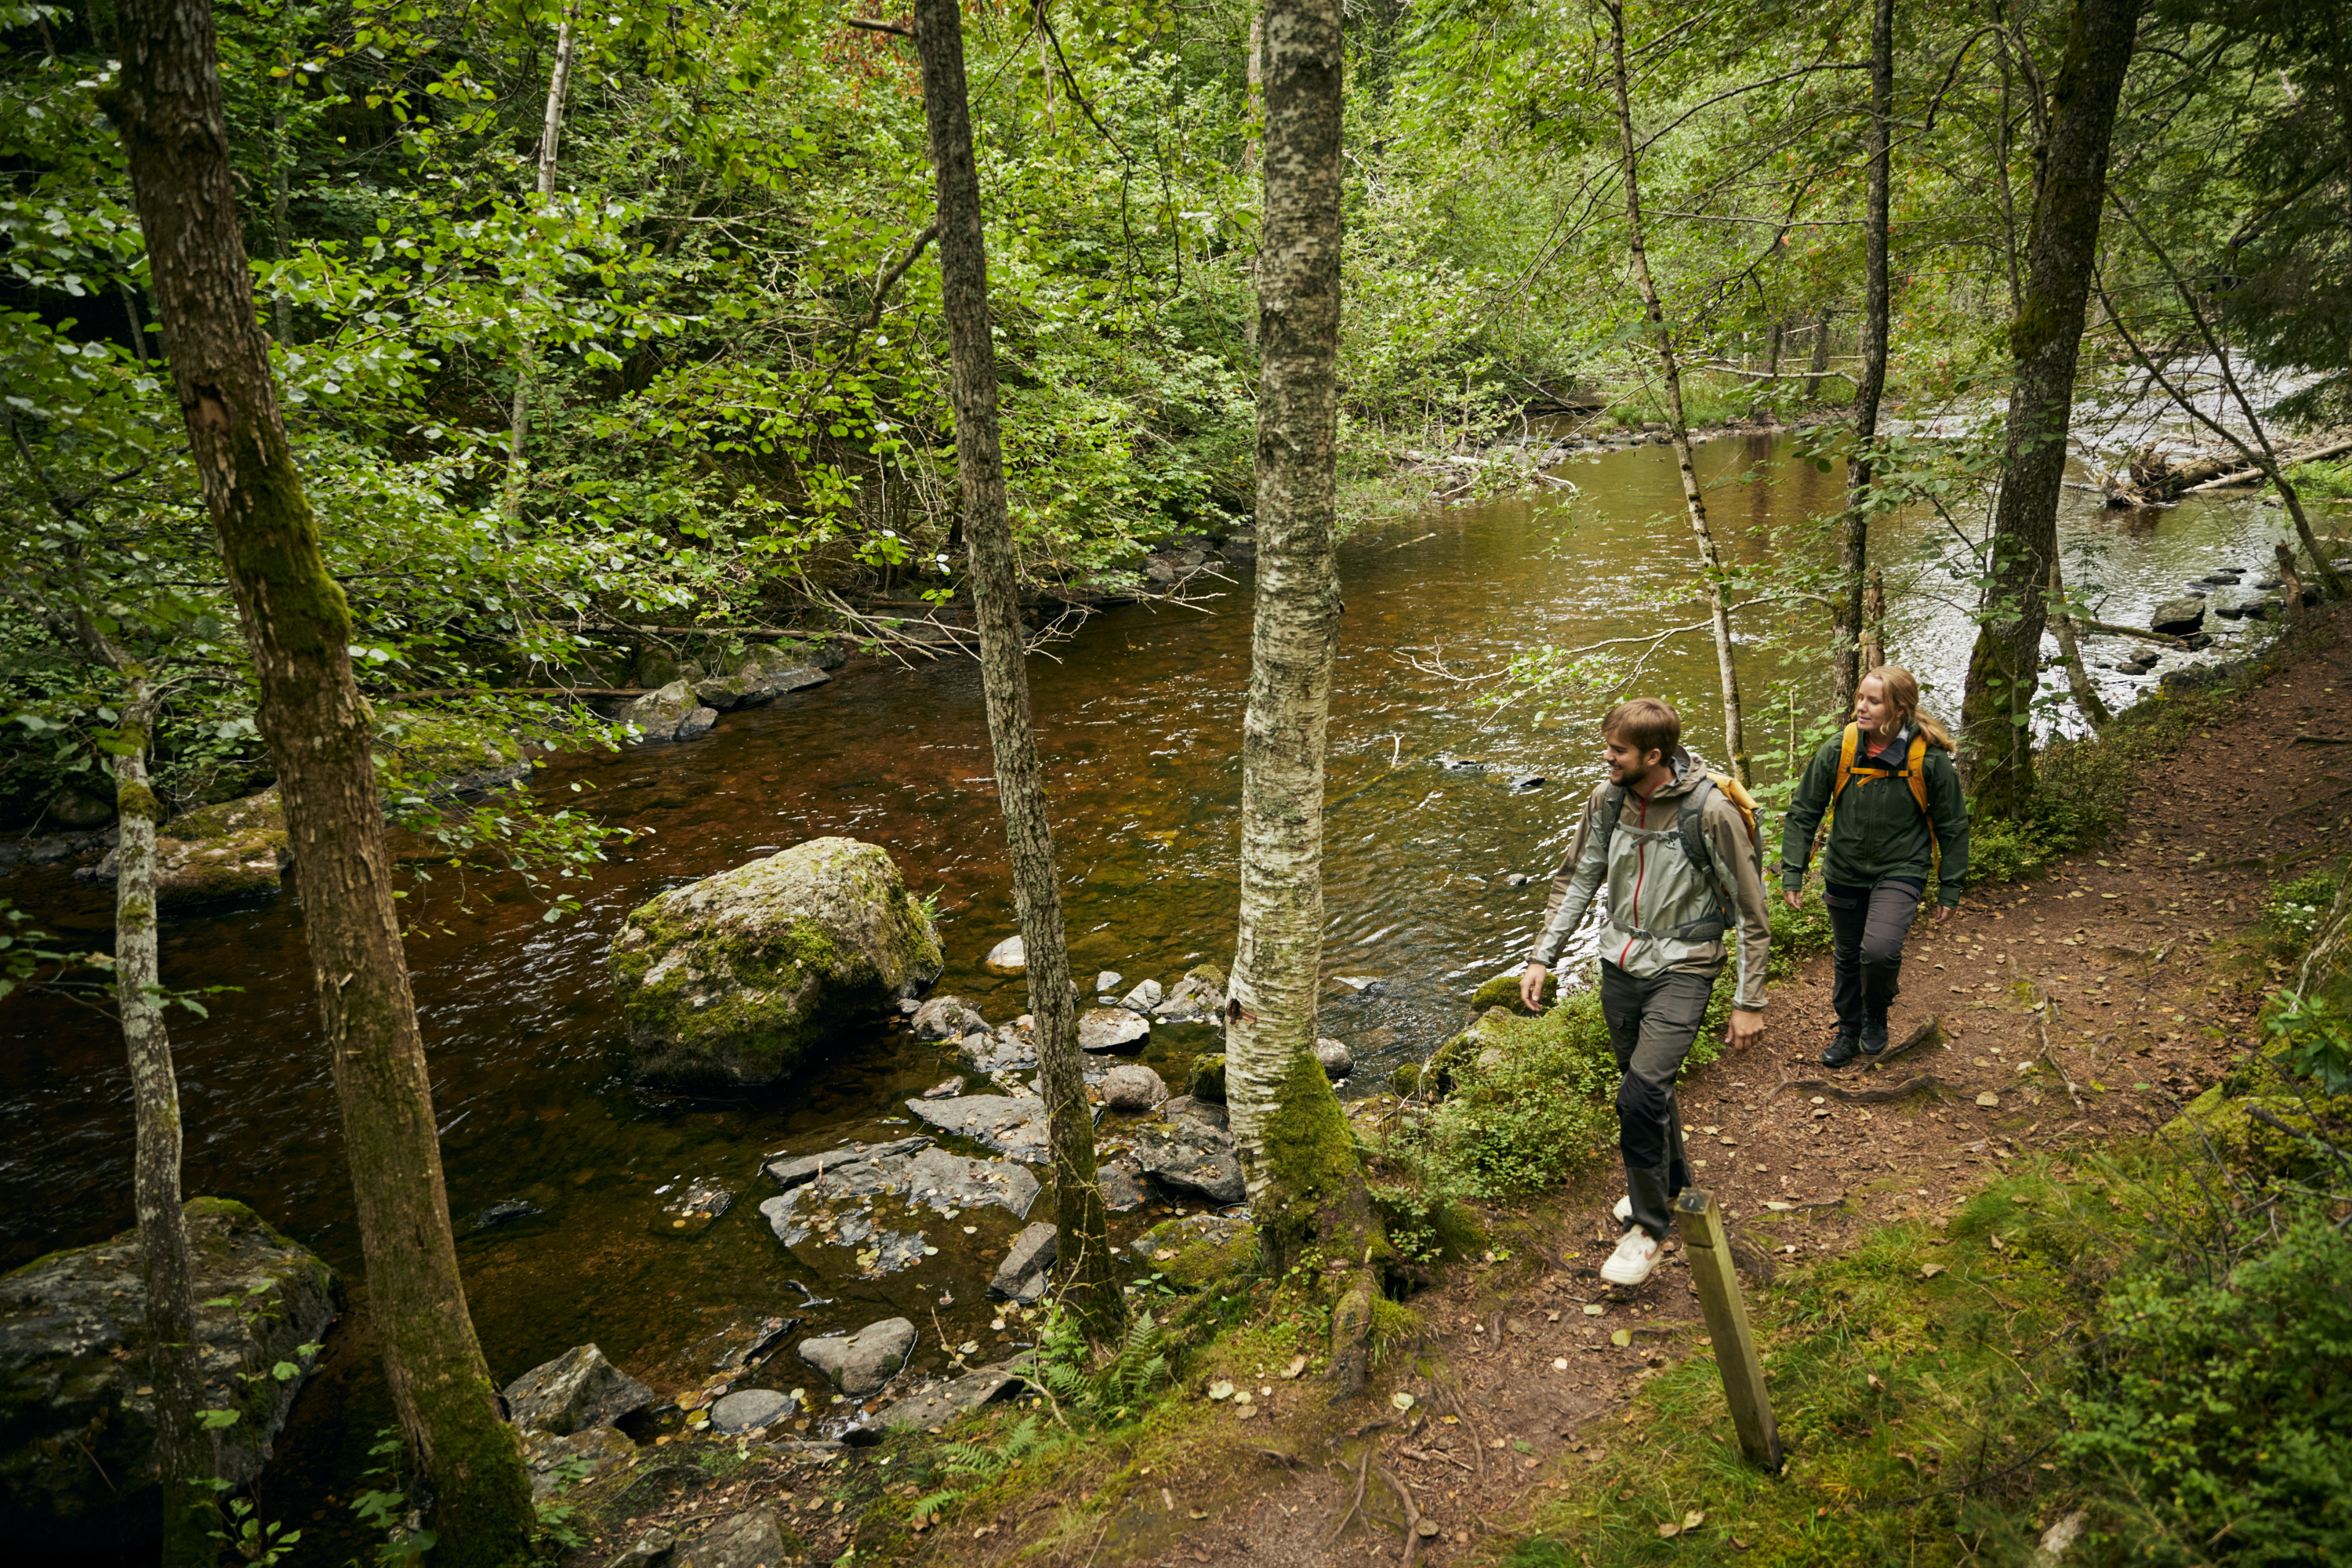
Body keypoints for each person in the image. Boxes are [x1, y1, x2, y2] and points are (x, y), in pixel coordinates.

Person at [1519, 698, 1770, 1288]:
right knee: (1646, 1090)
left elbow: (1752, 912)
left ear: (1653, 757)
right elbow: (1578, 877)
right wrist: (1540, 957)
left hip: (1685, 968)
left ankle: (1650, 1229)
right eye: (1608, 746)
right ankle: (1667, 1187)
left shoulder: (1711, 811)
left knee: (1639, 1093)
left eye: (1618, 751)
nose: (1607, 757)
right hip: (1620, 965)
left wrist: (1748, 1000)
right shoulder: (1607, 800)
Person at [1778, 665, 1971, 1068]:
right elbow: (1803, 812)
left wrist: (1950, 886)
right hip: (1844, 869)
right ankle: (1849, 1029)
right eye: (1860, 698)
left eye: (1873, 701)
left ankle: (1877, 1013)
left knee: (1879, 951)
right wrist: (1793, 871)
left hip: (1902, 867)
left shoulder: (1928, 759)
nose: (1861, 708)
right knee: (1848, 956)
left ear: (1899, 709)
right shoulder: (1842, 748)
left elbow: (1953, 825)